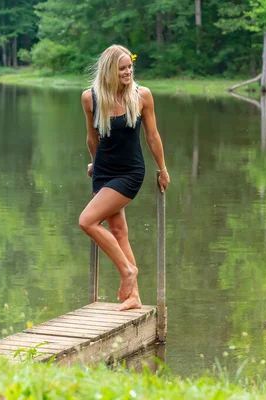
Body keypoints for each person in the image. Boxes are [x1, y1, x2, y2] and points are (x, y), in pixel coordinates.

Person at [79, 44, 170, 311]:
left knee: (87, 221)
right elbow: (92, 137)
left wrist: (162, 169)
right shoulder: (90, 98)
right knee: (118, 231)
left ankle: (128, 271)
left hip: (130, 173)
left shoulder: (142, 96)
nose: (128, 71)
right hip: (103, 171)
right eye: (122, 68)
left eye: (129, 66)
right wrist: (95, 164)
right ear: (109, 71)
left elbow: (152, 136)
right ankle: (135, 298)